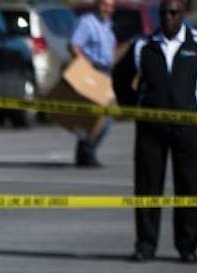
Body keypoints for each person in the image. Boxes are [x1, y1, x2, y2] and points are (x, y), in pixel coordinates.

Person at [113, 0, 197, 263]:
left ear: (183, 14)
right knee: (147, 187)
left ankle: (187, 247)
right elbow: (120, 75)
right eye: (164, 13)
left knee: (189, 187)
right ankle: (146, 245)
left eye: (174, 13)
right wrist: (132, 106)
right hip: (151, 129)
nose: (168, 18)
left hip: (188, 129)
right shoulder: (143, 45)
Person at [68, 0, 117, 166]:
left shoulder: (107, 24)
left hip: (106, 72)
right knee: (100, 116)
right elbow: (74, 46)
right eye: (105, 4)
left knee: (102, 116)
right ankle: (87, 153)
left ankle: (85, 152)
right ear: (97, 4)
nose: (108, 9)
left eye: (111, 6)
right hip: (93, 72)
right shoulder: (88, 22)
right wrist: (85, 68)